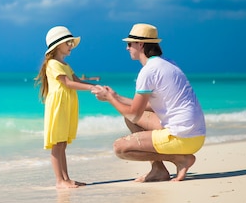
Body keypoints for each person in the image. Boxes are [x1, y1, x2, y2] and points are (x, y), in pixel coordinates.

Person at [92, 23, 206, 182]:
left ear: (140, 44)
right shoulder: (168, 63)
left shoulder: (148, 71)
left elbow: (134, 113)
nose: (127, 48)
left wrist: (109, 99)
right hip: (196, 135)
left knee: (120, 148)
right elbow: (151, 106)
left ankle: (180, 159)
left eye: (129, 44)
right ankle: (158, 170)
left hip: (182, 138)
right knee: (131, 119)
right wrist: (115, 96)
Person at [35, 26, 97, 189]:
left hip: (66, 104)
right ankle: (59, 180)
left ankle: (66, 179)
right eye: (68, 42)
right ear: (57, 45)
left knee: (62, 143)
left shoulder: (65, 65)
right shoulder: (53, 63)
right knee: (57, 143)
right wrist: (91, 88)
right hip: (58, 106)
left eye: (71, 42)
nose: (71, 45)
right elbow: (68, 83)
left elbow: (77, 80)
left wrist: (96, 86)